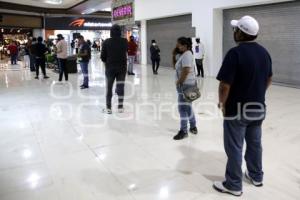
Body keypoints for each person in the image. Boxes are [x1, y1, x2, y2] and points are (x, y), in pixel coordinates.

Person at [212, 16, 273, 196]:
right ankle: (256, 176)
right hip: (258, 108)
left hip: (237, 110)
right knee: (255, 144)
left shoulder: (235, 53)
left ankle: (233, 185)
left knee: (234, 147)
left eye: (235, 29)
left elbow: (224, 85)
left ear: (241, 32)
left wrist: (222, 104)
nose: (234, 32)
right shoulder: (264, 52)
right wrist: (258, 92)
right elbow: (269, 78)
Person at [173, 37, 198, 140]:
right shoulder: (185, 54)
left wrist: (179, 82)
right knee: (187, 107)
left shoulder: (187, 54)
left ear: (185, 45)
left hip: (185, 85)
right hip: (189, 84)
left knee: (182, 108)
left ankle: (183, 131)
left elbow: (186, 70)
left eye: (179, 44)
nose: (178, 46)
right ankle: (193, 126)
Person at [101, 24, 128, 114]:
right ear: (120, 32)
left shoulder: (106, 42)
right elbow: (125, 52)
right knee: (121, 87)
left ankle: (108, 108)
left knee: (109, 88)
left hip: (110, 68)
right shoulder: (125, 41)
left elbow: (102, 57)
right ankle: (120, 107)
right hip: (122, 68)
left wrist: (107, 61)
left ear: (111, 32)